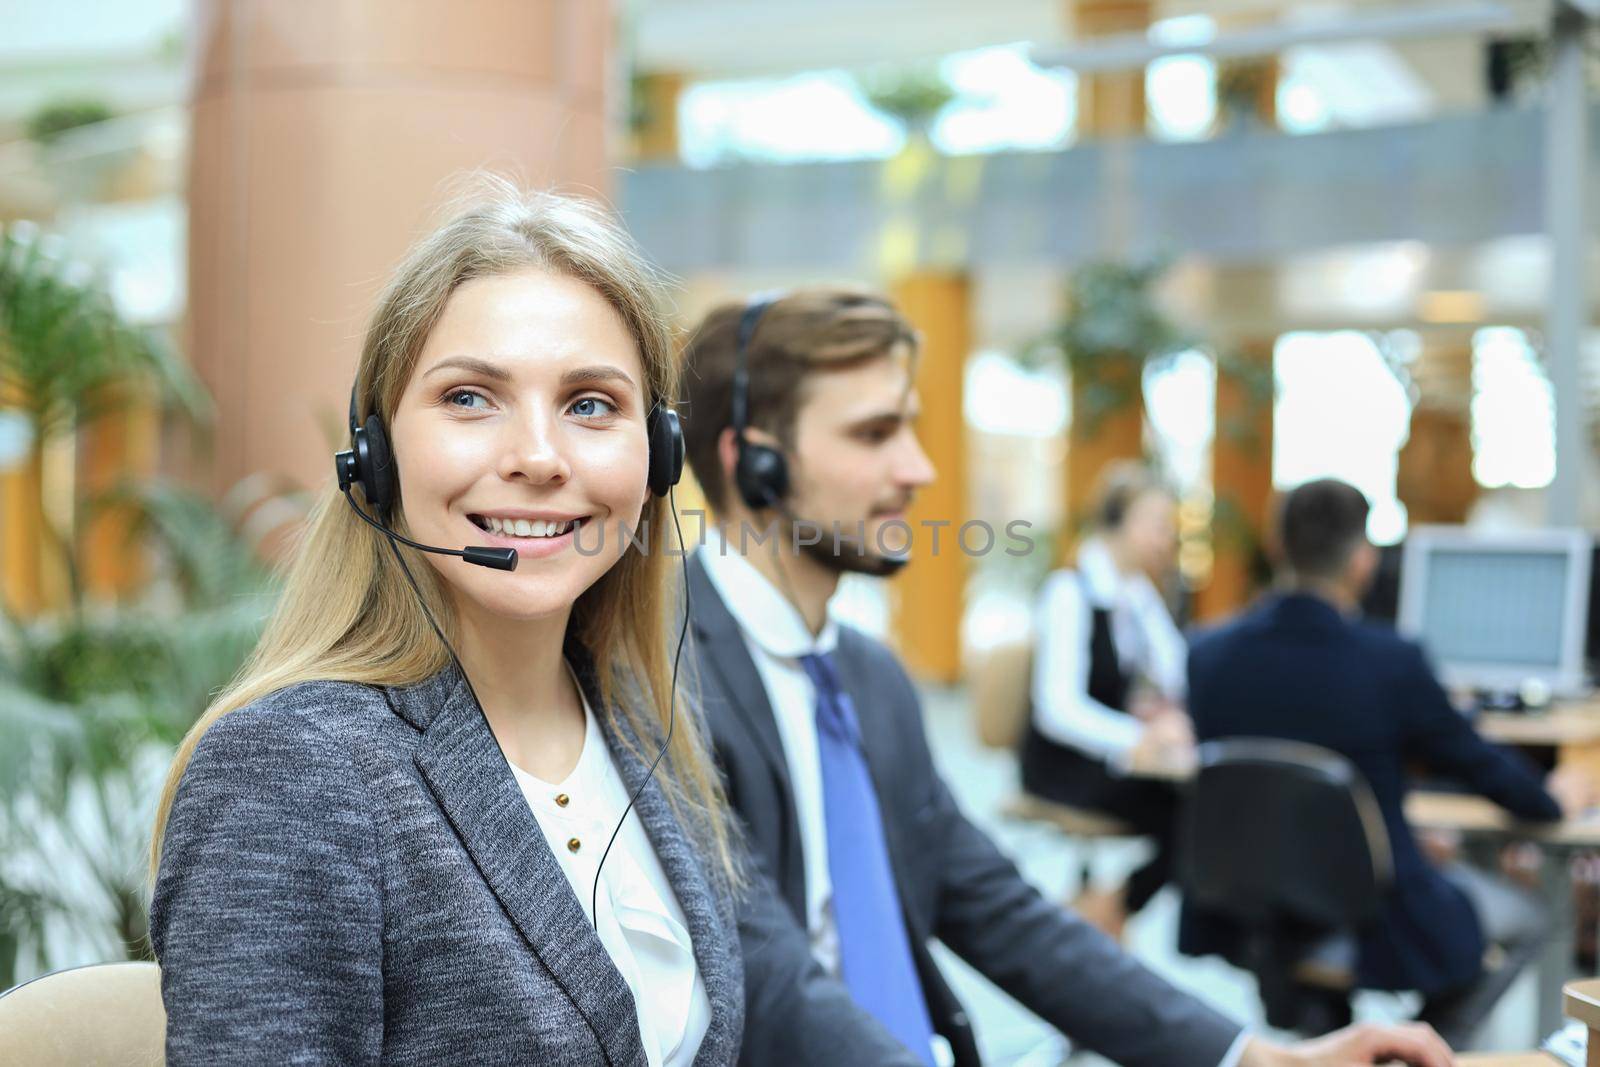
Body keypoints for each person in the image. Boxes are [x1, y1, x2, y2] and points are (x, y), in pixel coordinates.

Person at [146, 185, 914, 1066]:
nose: (539, 459)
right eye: (471, 397)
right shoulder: (293, 771)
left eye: (591, 404)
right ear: (378, 451)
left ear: (658, 457)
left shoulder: (644, 721)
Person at [677, 288, 1457, 1067]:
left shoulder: (870, 679)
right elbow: (765, 974)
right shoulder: (661, 665)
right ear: (754, 462)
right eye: (875, 433)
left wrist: (1257, 1056)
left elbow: (1004, 913)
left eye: (910, 426)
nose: (918, 467)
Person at [1183, 477, 1590, 1047]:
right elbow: (1481, 767)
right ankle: (1414, 1050)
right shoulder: (1390, 662)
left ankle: (1336, 1031)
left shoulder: (1207, 655)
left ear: (1277, 548)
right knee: (1530, 915)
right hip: (1382, 911)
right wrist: (1556, 797)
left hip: (1262, 907)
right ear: (1361, 561)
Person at [1022, 460, 1195, 936]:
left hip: (1118, 755)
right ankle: (1113, 909)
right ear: (1118, 523)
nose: (1166, 540)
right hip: (1064, 763)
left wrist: (1166, 722)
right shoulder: (1068, 591)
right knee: (1192, 815)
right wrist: (1138, 735)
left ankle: (1106, 909)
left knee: (1208, 802)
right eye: (1157, 526)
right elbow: (1058, 710)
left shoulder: (1136, 593)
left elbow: (1177, 673)